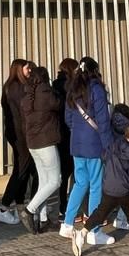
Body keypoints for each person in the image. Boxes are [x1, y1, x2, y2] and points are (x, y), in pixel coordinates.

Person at [72, 118, 129, 256]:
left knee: (100, 213)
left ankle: (82, 233)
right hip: (124, 191)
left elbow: (103, 156)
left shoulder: (114, 144)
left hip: (108, 187)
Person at [60, 56, 116, 248]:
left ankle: (67, 224)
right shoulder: (97, 89)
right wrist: (108, 146)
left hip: (76, 143)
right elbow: (103, 121)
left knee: (79, 183)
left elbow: (68, 118)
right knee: (95, 186)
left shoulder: (72, 89)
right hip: (94, 144)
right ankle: (94, 230)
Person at [17, 63, 62, 234]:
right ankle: (30, 210)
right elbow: (58, 104)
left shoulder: (27, 95)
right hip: (46, 142)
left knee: (44, 181)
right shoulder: (46, 93)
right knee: (55, 180)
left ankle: (41, 218)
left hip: (32, 143)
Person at [0, 59, 35, 226]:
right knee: (21, 170)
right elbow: (24, 114)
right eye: (27, 69)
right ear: (19, 69)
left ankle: (19, 205)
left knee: (23, 169)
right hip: (21, 135)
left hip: (15, 134)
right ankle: (4, 208)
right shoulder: (19, 88)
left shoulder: (8, 86)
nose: (30, 72)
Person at [53, 57, 79, 215]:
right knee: (74, 170)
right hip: (71, 131)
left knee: (63, 171)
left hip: (59, 131)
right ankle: (72, 205)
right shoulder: (72, 85)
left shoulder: (54, 84)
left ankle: (62, 204)